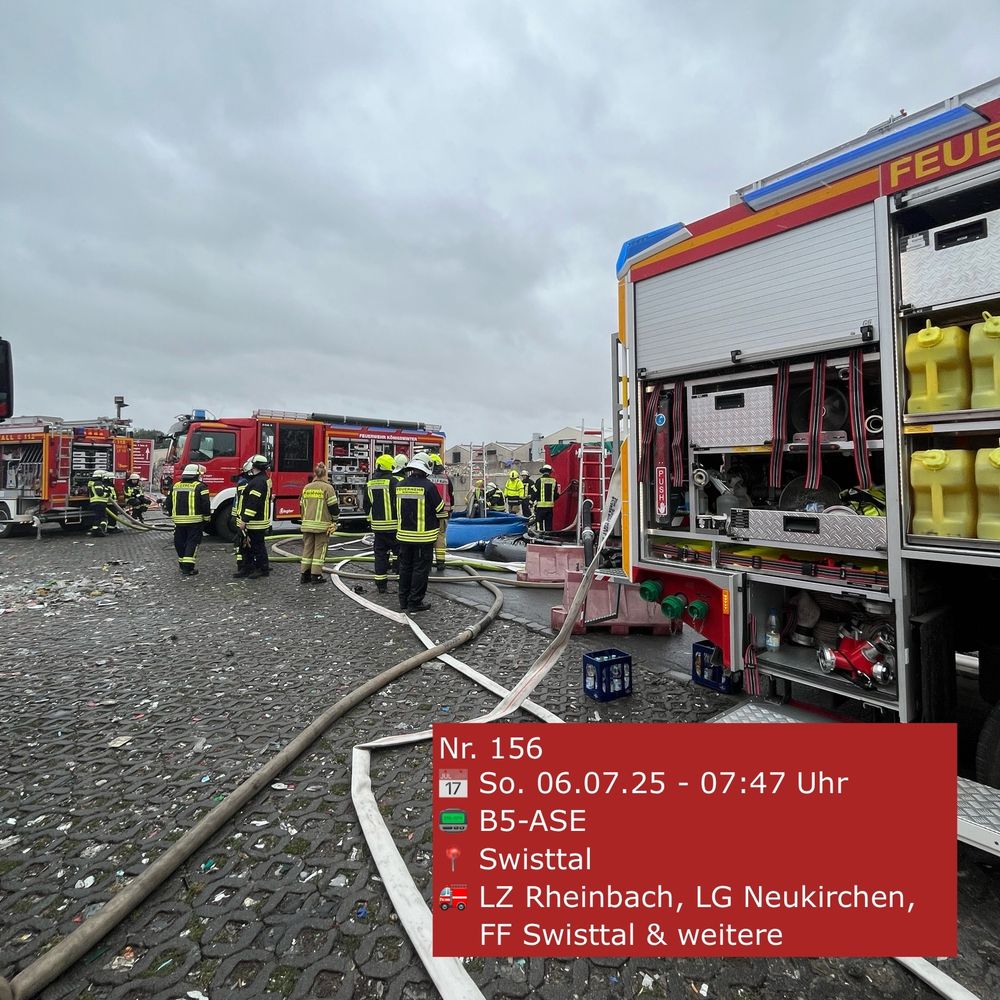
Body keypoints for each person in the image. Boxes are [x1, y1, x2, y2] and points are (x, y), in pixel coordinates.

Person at [393, 454, 444, 613]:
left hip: (403, 536)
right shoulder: (428, 486)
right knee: (420, 570)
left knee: (405, 568)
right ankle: (415, 602)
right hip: (423, 537)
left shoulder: (400, 485)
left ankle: (403, 601)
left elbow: (396, 507)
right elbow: (440, 510)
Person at [163, 463, 211, 575]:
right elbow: (205, 504)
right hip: (195, 521)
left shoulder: (175, 486)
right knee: (192, 542)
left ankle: (182, 565)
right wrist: (207, 517)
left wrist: (172, 515)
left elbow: (168, 503)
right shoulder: (201, 486)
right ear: (196, 475)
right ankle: (188, 568)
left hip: (179, 521)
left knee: (179, 542)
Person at [299, 462, 340, 584]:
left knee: (307, 549)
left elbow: (301, 506)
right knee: (319, 549)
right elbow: (333, 507)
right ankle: (316, 575)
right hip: (322, 526)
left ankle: (304, 574)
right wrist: (335, 520)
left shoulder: (306, 487)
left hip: (306, 524)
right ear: (325, 474)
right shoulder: (328, 488)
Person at [235, 454, 273, 579]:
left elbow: (253, 503)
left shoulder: (258, 482)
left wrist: (245, 520)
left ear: (255, 466)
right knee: (246, 546)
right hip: (255, 520)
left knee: (257, 546)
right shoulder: (261, 479)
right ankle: (247, 568)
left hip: (256, 521)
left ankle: (262, 569)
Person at [365, 454, 397, 593]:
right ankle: (399, 578)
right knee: (398, 552)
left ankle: (381, 584)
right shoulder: (394, 481)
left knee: (380, 555)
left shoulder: (370, 483)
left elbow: (367, 505)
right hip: (393, 525)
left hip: (377, 526)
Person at [427, 453, 455, 571]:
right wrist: (451, 509)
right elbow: (451, 495)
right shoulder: (446, 478)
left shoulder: (426, 478)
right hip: (443, 512)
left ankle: (427, 562)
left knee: (428, 536)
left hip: (428, 513)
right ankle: (440, 562)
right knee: (440, 536)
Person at [231, 458, 254, 578]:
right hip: (244, 517)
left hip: (243, 517)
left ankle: (244, 566)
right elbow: (239, 500)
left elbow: (237, 501)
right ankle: (243, 566)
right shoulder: (247, 483)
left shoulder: (243, 482)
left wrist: (234, 515)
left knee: (243, 543)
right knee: (242, 543)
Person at [532, 463, 560, 533]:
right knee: (549, 524)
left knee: (539, 523)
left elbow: (535, 493)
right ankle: (548, 537)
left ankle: (539, 536)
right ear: (550, 472)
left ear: (542, 471)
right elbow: (556, 495)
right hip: (550, 508)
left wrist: (531, 501)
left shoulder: (539, 480)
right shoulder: (554, 481)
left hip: (540, 507)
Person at [86, 470, 111, 537]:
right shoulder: (98, 483)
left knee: (97, 517)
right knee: (103, 518)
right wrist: (107, 494)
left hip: (93, 502)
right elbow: (100, 493)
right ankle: (101, 531)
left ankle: (95, 531)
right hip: (100, 502)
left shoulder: (91, 483)